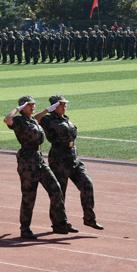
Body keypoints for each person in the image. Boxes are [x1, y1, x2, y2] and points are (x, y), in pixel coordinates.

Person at [4, 95, 71, 239]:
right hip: (27, 163)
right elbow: (7, 120)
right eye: (30, 105)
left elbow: (40, 117)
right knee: (29, 197)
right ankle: (25, 229)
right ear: (23, 107)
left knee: (56, 189)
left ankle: (60, 222)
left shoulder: (33, 119)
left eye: (34, 104)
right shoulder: (19, 121)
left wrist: (47, 110)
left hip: (39, 160)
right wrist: (17, 109)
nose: (33, 106)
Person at [38, 95, 102, 231]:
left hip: (73, 157)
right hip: (59, 158)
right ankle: (59, 223)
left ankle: (89, 218)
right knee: (60, 192)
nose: (65, 106)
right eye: (61, 104)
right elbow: (32, 120)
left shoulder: (65, 119)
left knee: (87, 184)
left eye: (65, 104)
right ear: (54, 106)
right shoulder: (48, 119)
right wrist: (47, 110)